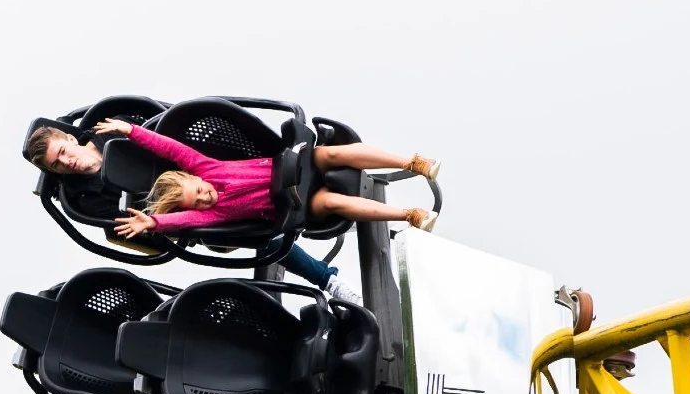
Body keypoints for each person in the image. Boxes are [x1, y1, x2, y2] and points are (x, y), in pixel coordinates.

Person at [23, 122, 355, 301]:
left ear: (69, 137)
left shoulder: (108, 127)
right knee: (255, 234)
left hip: (206, 169)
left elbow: (165, 130)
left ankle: (335, 206)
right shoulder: (84, 199)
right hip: (191, 211)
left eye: (64, 151)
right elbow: (132, 218)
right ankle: (327, 279)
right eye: (58, 164)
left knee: (262, 173)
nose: (68, 161)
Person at [88, 118, 439, 239]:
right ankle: (408, 214)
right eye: (200, 201)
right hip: (295, 202)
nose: (206, 197)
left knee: (330, 154)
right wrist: (152, 223)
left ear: (194, 177)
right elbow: (182, 219)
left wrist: (130, 130)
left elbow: (170, 148)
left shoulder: (205, 167)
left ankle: (412, 161)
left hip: (295, 167)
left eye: (201, 191)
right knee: (331, 202)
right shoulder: (214, 213)